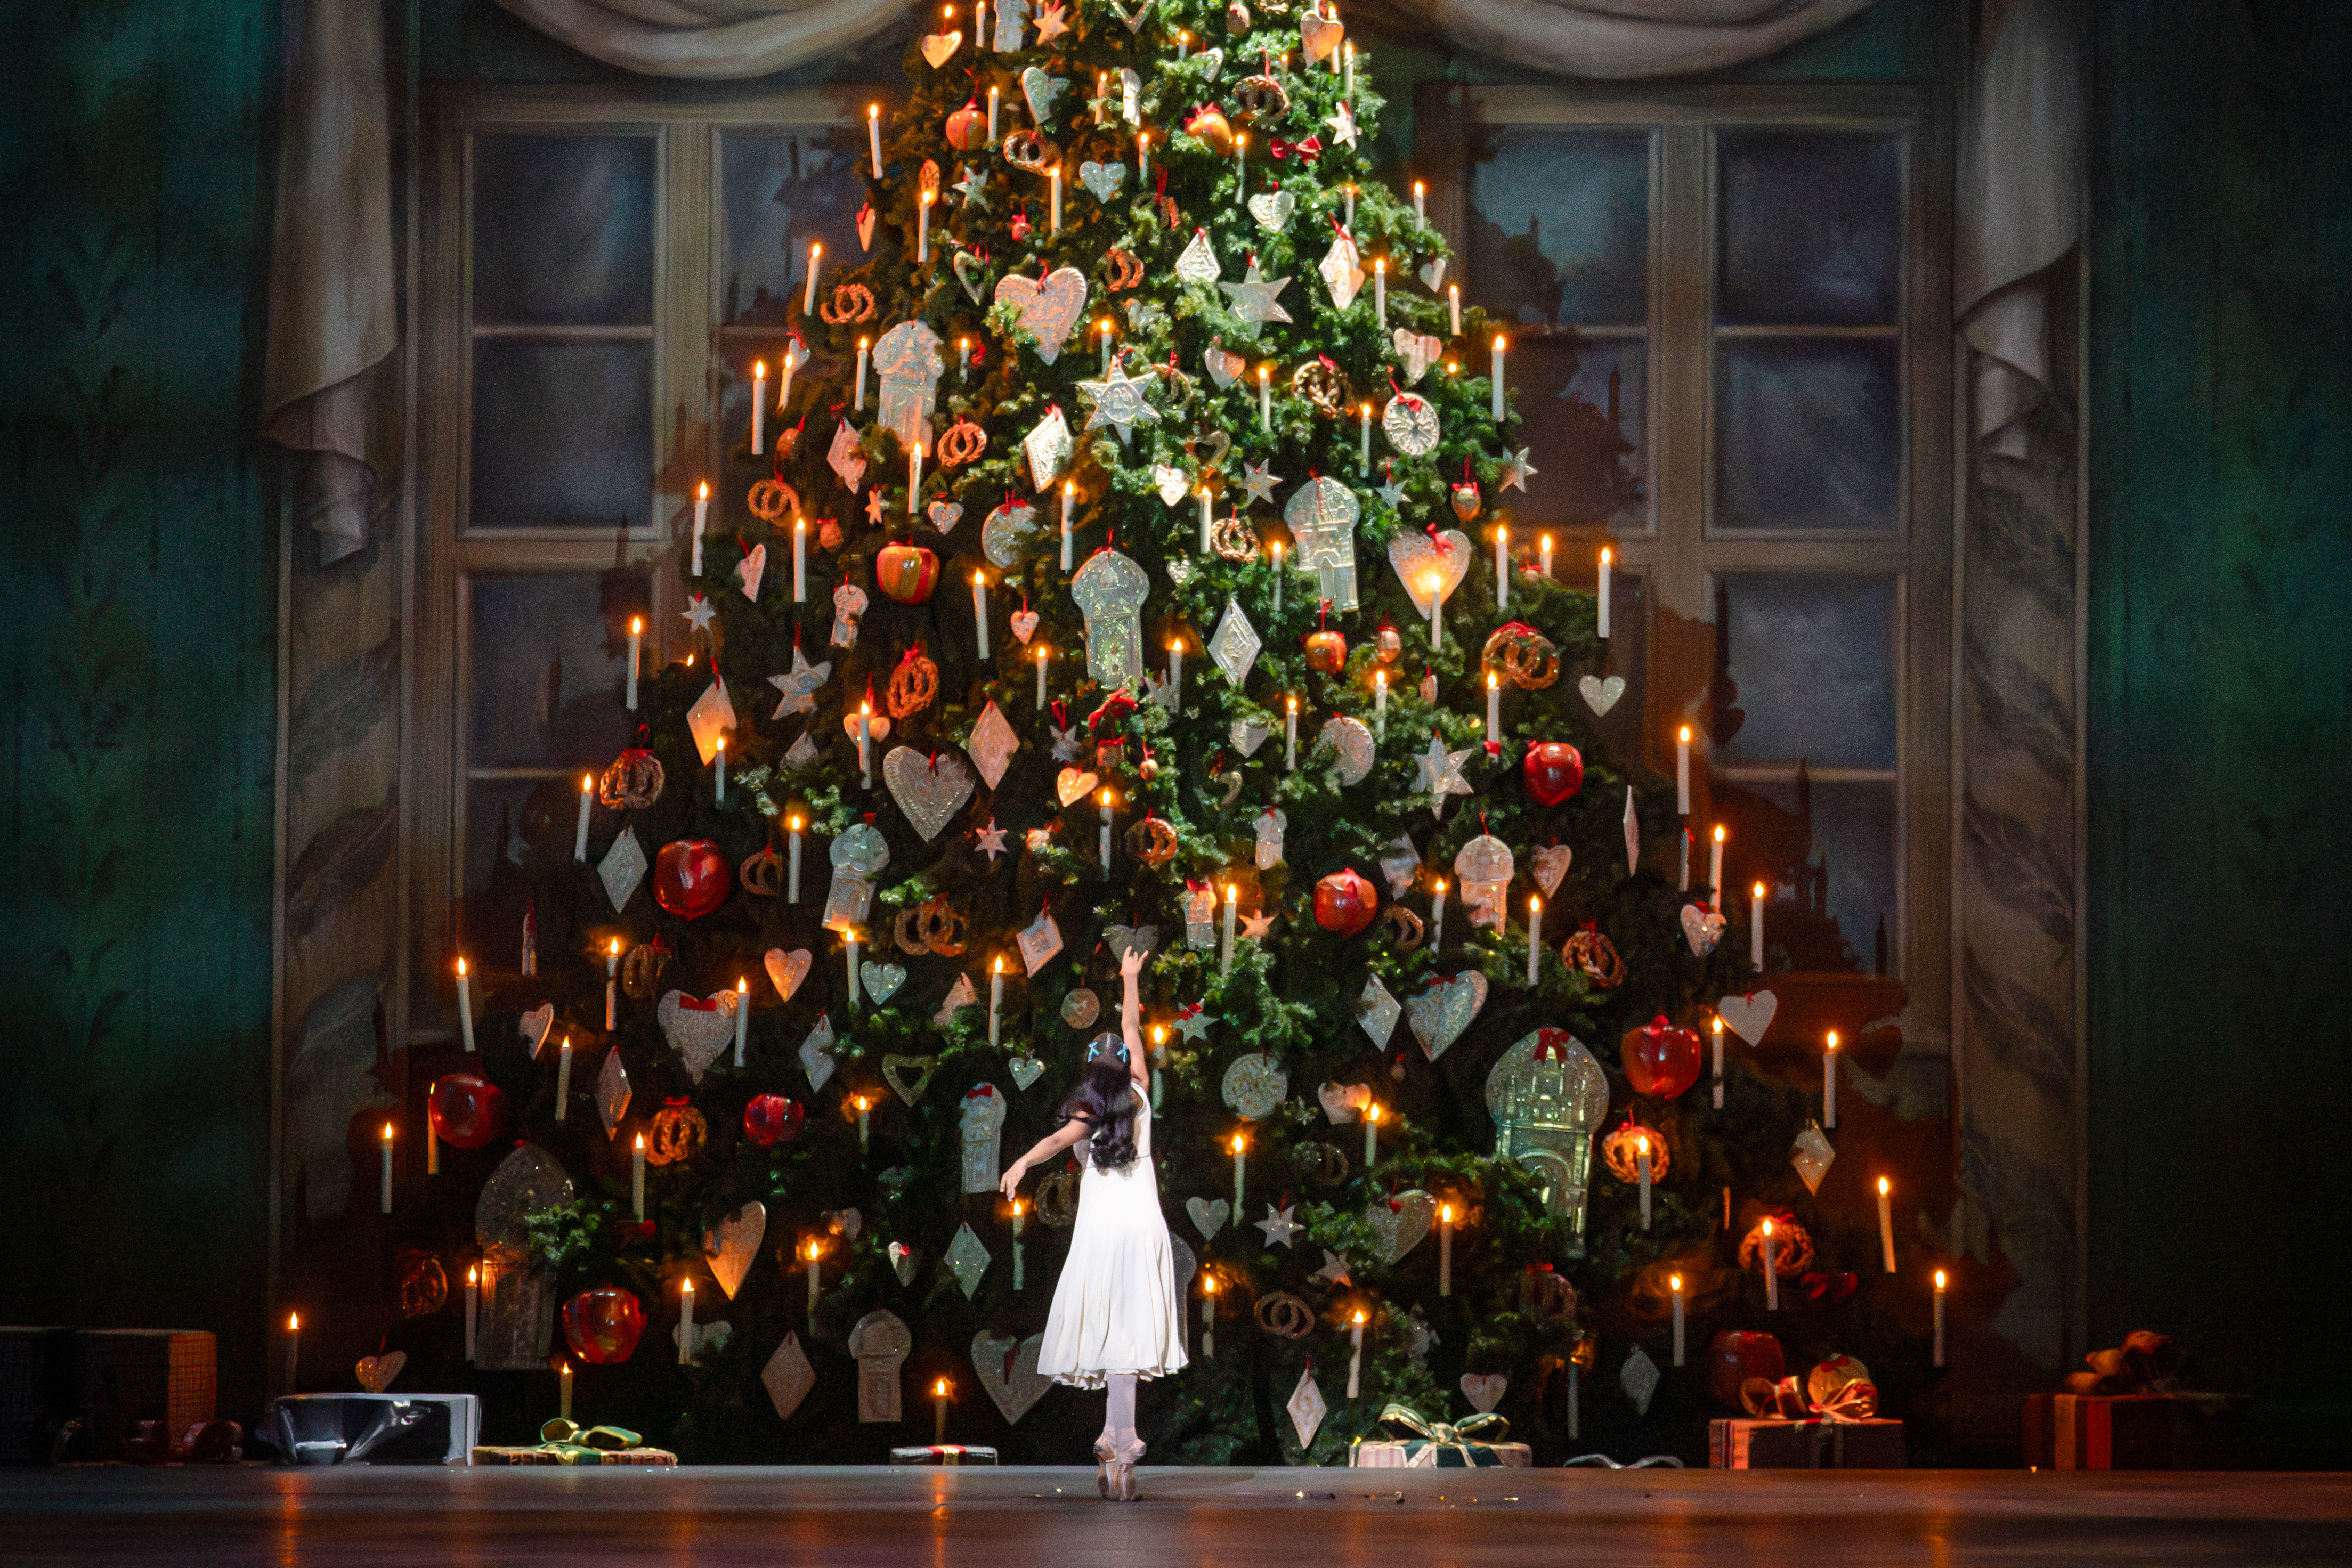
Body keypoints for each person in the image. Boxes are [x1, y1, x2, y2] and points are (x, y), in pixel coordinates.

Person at [1000, 947, 1185, 1499]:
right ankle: (1119, 1439)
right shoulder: (1141, 1094)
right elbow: (1131, 1023)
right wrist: (1130, 978)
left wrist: (1021, 1163)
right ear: (1127, 1065)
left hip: (1104, 1229)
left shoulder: (1091, 1108)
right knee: (1128, 1332)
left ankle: (1117, 1440)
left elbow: (1060, 1141)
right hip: (1141, 1223)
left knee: (1112, 1328)